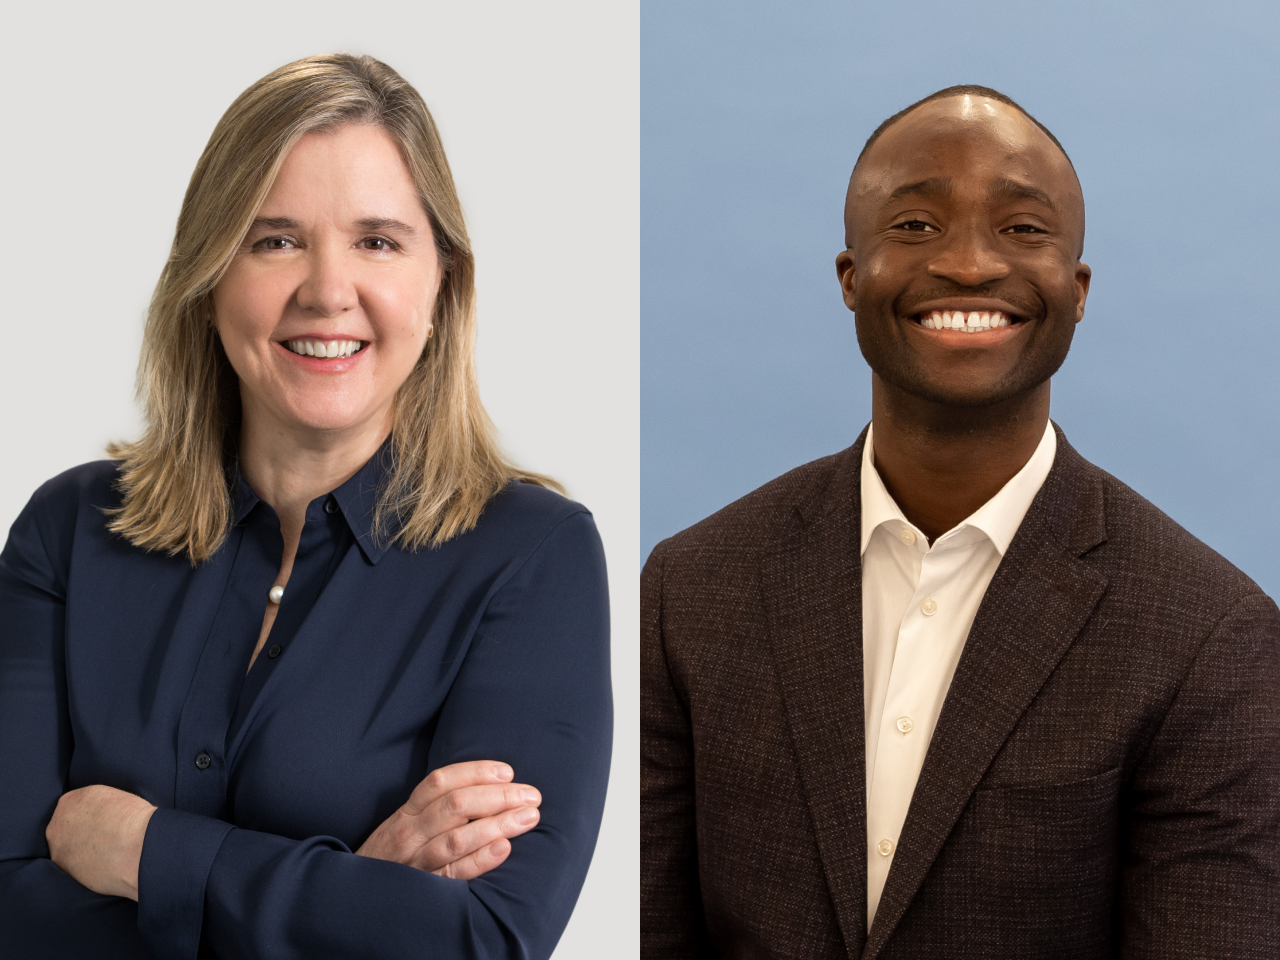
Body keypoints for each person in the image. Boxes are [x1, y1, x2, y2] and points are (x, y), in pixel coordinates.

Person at [641, 85, 1280, 959]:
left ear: (1078, 288)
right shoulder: (689, 589)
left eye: (1023, 228)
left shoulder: (1214, 635)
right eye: (915, 226)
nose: (971, 265)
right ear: (851, 276)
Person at [0, 54, 611, 960]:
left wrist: (144, 851)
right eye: (274, 239)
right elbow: (10, 909)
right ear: (208, 279)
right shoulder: (69, 532)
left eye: (377, 241)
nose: (328, 291)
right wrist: (356, 890)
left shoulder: (534, 558)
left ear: (441, 284)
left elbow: (485, 940)